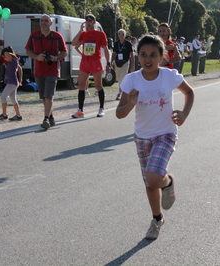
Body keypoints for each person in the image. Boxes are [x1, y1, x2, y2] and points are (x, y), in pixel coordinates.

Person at [116, 35, 194, 240]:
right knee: (150, 185)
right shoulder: (131, 80)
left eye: (153, 55)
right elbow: (119, 113)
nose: (147, 59)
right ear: (138, 56)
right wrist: (131, 103)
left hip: (165, 134)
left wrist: (184, 113)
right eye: (143, 55)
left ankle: (168, 183)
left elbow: (189, 93)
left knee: (153, 177)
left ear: (162, 56)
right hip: (141, 137)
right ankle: (157, 220)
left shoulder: (169, 76)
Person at [25, 14, 67, 129]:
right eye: (42, 21)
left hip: (52, 69)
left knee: (49, 96)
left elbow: (65, 52)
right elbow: (28, 51)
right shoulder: (34, 35)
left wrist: (56, 58)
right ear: (39, 23)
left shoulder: (57, 36)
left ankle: (46, 119)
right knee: (44, 97)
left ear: (51, 23)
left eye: (46, 21)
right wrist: (37, 57)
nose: (44, 23)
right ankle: (51, 116)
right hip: (39, 70)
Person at [70, 14, 110, 118]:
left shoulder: (100, 34)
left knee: (98, 86)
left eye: (90, 20)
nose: (88, 22)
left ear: (94, 22)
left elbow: (105, 49)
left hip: (95, 61)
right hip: (85, 62)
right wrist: (80, 31)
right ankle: (80, 110)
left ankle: (101, 108)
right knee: (81, 85)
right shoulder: (84, 34)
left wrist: (108, 63)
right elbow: (74, 43)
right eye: (86, 20)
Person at [0, 46, 23, 121]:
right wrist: (20, 80)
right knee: (13, 99)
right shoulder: (13, 61)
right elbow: (20, 69)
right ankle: (18, 115)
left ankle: (4, 114)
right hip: (13, 82)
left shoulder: (13, 60)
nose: (4, 57)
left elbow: (7, 53)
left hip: (12, 82)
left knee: (3, 96)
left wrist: (12, 54)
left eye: (4, 56)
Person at [111, 29, 134, 101]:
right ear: (118, 35)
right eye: (120, 34)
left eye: (122, 34)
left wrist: (133, 65)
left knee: (122, 78)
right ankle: (125, 90)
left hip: (125, 62)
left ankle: (120, 93)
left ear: (125, 35)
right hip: (117, 62)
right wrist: (111, 62)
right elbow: (114, 53)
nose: (121, 35)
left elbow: (132, 55)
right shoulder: (116, 44)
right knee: (119, 78)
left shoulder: (128, 44)